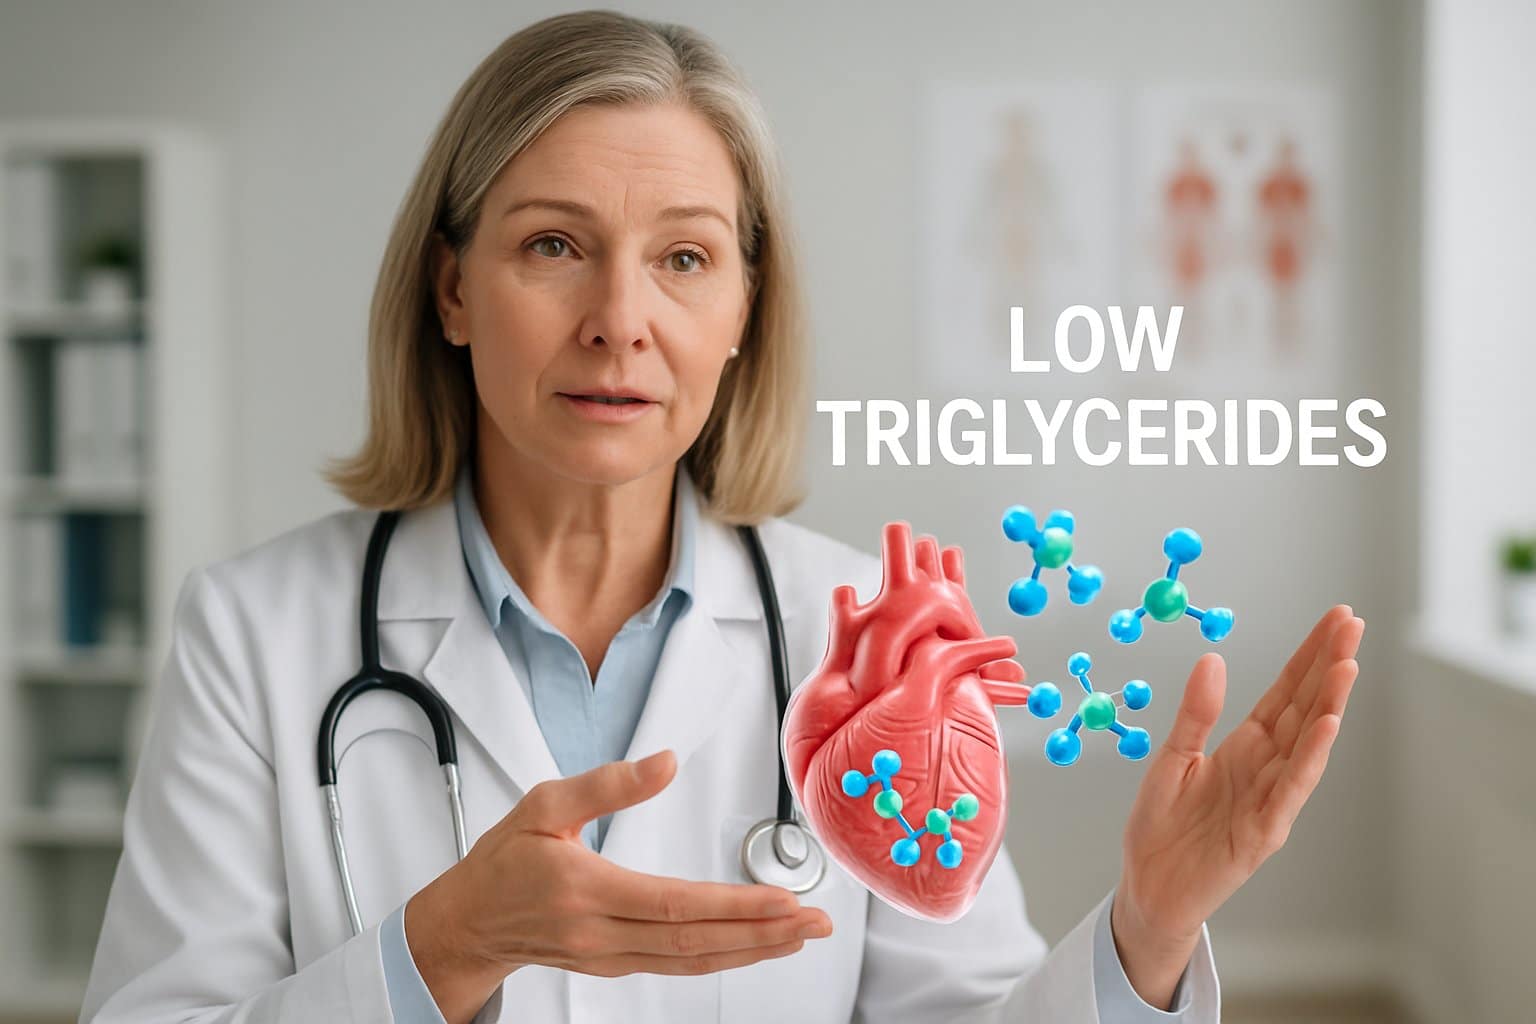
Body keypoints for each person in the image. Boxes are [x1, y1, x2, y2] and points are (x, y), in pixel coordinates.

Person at [80, 11, 1364, 1023]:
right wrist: (441, 948)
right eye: (552, 245)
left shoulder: (872, 635)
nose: (620, 320)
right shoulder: (255, 634)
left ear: (744, 308)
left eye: (684, 258)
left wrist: (1146, 932)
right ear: (452, 286)